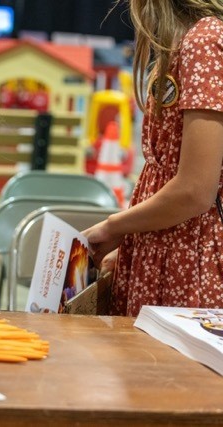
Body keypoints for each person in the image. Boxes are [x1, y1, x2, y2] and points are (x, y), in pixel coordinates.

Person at [83, 1, 223, 317]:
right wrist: (135, 245)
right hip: (172, 253)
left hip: (187, 262)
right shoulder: (188, 41)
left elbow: (195, 191)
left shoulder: (204, 41)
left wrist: (113, 226)